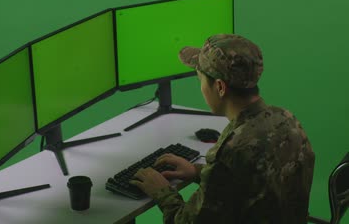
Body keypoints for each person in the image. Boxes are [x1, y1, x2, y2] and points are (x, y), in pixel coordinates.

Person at [129, 34, 315, 224]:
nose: (201, 88)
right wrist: (197, 171)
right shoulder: (287, 119)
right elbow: (252, 182)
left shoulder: (233, 150)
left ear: (219, 87)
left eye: (200, 79)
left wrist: (163, 192)